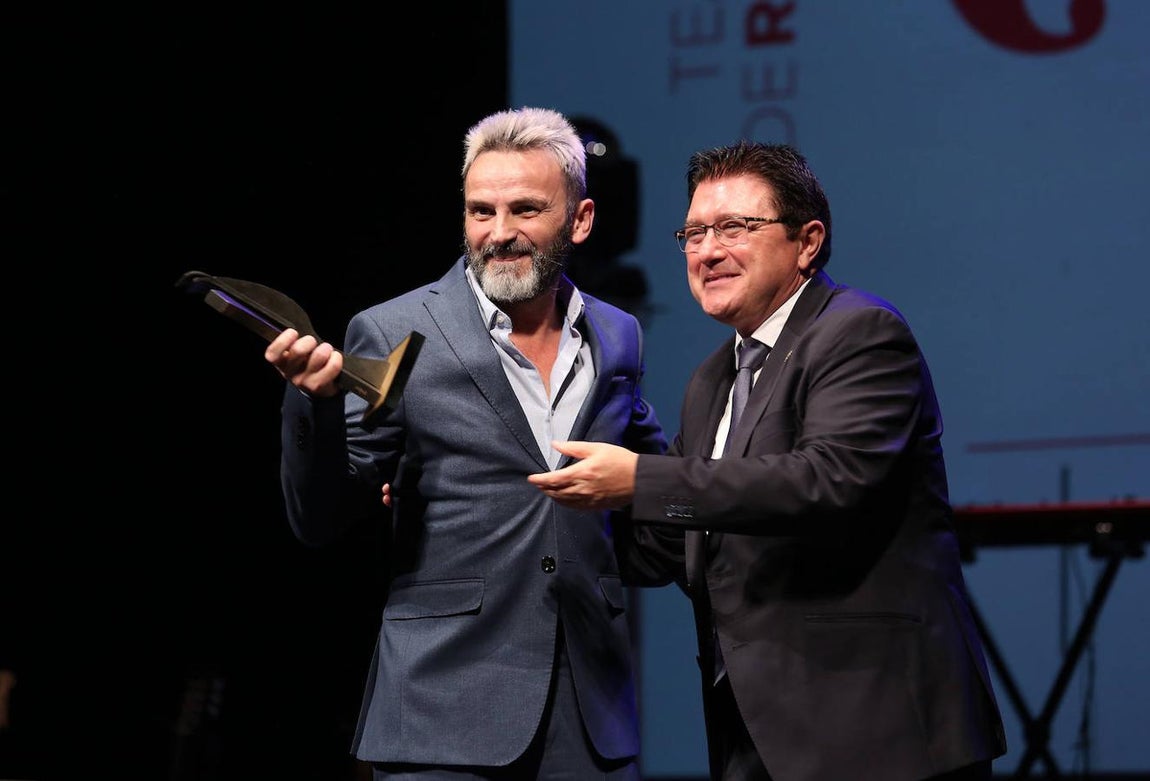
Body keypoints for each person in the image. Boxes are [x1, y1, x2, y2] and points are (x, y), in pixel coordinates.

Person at [528, 141, 1007, 781]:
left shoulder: (859, 333)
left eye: (735, 227)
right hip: (756, 733)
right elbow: (667, 544)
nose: (708, 250)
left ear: (807, 242)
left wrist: (639, 479)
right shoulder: (712, 380)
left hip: (876, 725)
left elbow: (826, 481)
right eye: (694, 232)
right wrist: (481, 502)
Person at [264, 106, 666, 780]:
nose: (499, 234)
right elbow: (322, 516)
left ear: (582, 218)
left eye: (526, 210)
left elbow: (656, 480)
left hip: (588, 720)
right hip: (440, 714)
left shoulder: (617, 333)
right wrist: (314, 404)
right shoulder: (394, 328)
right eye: (481, 211)